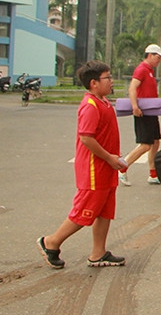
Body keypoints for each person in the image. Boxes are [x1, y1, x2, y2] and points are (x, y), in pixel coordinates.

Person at [36, 60, 126, 269]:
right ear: (94, 83)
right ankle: (51, 242)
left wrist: (115, 160)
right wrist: (109, 158)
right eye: (108, 78)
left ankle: (98, 253)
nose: (112, 81)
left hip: (106, 166)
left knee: (105, 211)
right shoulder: (90, 105)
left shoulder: (103, 101)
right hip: (95, 169)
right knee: (84, 211)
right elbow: (86, 138)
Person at [119, 44, 161, 186]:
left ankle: (153, 174)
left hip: (151, 112)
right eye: (158, 57)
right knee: (145, 144)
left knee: (155, 142)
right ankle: (122, 168)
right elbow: (132, 88)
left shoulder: (149, 71)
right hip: (142, 112)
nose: (159, 60)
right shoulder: (141, 70)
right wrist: (135, 106)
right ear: (150, 55)